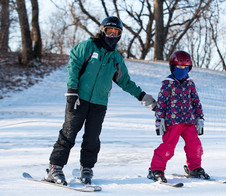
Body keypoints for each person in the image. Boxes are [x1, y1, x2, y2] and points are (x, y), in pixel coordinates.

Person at [45, 16, 156, 185]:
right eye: (109, 31)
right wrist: (72, 91)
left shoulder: (116, 58)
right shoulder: (87, 47)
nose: (112, 35)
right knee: (69, 133)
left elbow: (125, 81)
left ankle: (87, 168)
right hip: (78, 99)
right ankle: (55, 167)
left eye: (116, 32)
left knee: (92, 138)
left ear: (119, 35)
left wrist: (143, 97)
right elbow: (73, 66)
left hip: (99, 103)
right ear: (102, 31)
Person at [147, 50, 209, 183]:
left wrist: (200, 118)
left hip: (189, 121)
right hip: (172, 121)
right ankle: (155, 169)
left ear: (189, 68)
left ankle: (195, 168)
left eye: (185, 67)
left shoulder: (190, 83)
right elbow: (162, 103)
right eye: (179, 67)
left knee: (195, 145)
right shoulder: (167, 83)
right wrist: (159, 119)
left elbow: (196, 101)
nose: (182, 70)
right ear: (172, 67)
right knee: (168, 147)